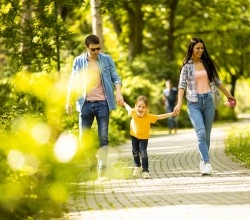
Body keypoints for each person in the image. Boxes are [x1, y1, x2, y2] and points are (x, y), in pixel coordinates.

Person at [65, 34, 124, 181]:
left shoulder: (106, 59)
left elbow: (115, 77)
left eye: (98, 48)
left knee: (103, 138)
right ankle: (93, 163)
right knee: (83, 138)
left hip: (103, 103)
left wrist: (118, 93)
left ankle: (101, 172)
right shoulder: (78, 61)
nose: (96, 52)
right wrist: (68, 101)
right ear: (87, 48)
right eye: (93, 49)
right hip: (85, 104)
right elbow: (73, 82)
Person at [173, 37, 236, 175]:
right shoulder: (186, 66)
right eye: (198, 48)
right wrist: (179, 103)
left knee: (206, 136)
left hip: (208, 101)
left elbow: (217, 81)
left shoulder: (207, 63)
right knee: (200, 133)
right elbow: (182, 86)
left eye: (202, 48)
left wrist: (228, 95)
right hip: (193, 103)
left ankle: (202, 161)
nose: (200, 51)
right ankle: (207, 163)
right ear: (192, 49)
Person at [123, 96, 175, 179]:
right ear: (135, 106)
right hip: (134, 136)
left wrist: (172, 114)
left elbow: (160, 116)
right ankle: (137, 166)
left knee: (143, 152)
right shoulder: (133, 112)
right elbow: (127, 107)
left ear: (146, 109)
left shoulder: (148, 116)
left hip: (144, 137)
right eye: (139, 106)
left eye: (143, 107)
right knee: (135, 151)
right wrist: (122, 101)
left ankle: (145, 171)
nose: (140, 108)